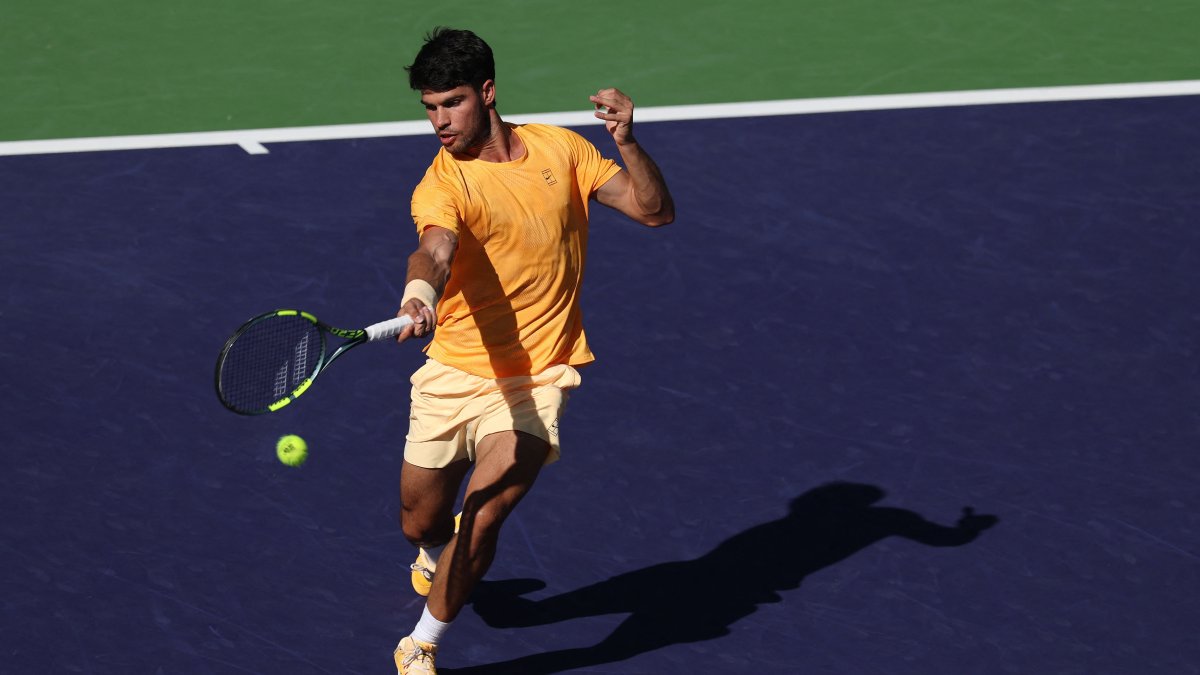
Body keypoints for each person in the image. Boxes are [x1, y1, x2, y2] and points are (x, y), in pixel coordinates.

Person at [389, 27, 674, 674]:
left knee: (482, 515)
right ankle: (434, 554)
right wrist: (418, 292)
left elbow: (653, 211)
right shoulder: (442, 184)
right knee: (421, 520)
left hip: (539, 375)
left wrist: (626, 144)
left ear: (487, 92)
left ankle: (420, 642)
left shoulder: (561, 149)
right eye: (430, 107)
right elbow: (434, 249)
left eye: (452, 103)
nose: (439, 121)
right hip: (455, 369)